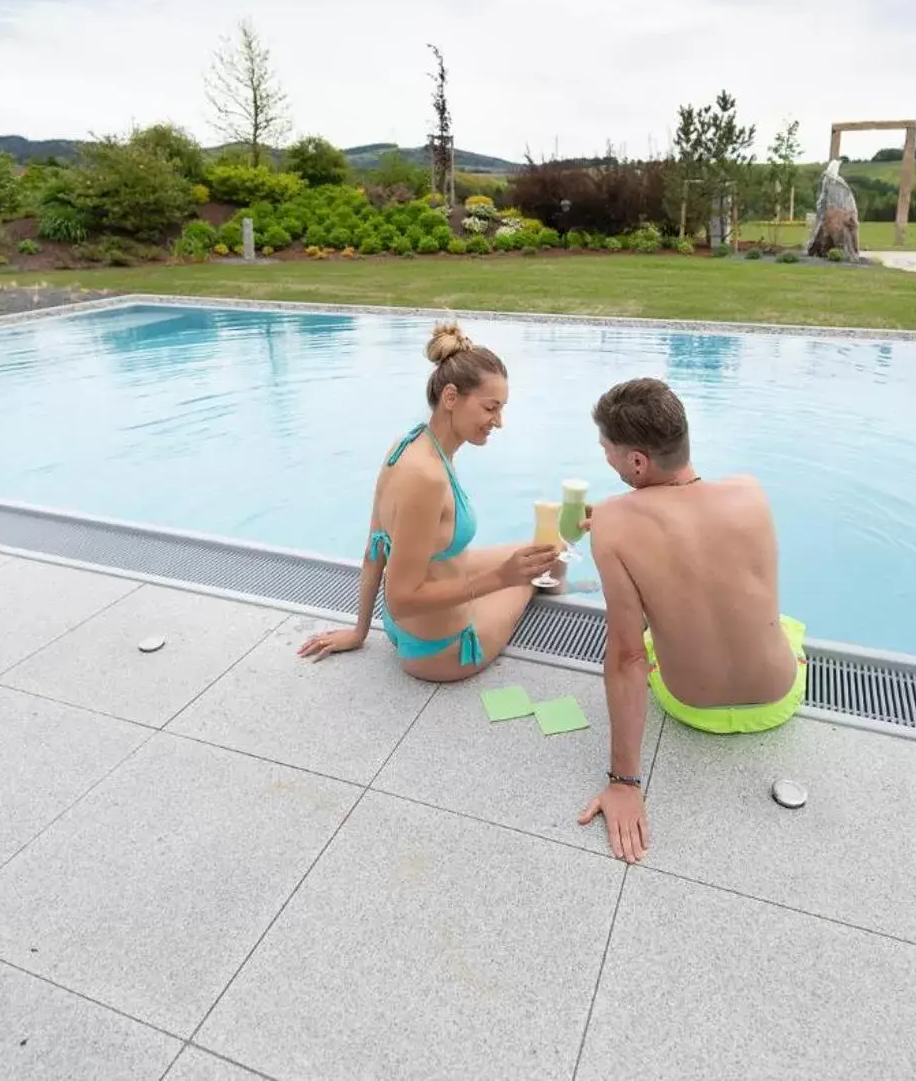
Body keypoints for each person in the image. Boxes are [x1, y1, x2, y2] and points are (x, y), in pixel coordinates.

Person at [574, 378, 807, 862]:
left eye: (609, 451)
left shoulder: (613, 525)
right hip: (778, 698)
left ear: (637, 461)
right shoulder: (751, 492)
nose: (607, 461)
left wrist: (624, 783)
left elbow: (627, 657)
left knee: (657, 634)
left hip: (690, 706)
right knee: (783, 622)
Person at [299, 324, 560, 679]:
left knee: (545, 549)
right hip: (442, 651)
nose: (498, 421)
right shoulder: (427, 478)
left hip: (404, 628)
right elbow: (401, 598)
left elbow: (375, 547)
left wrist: (360, 631)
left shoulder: (408, 445)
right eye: (490, 408)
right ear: (451, 397)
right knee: (534, 575)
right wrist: (501, 577)